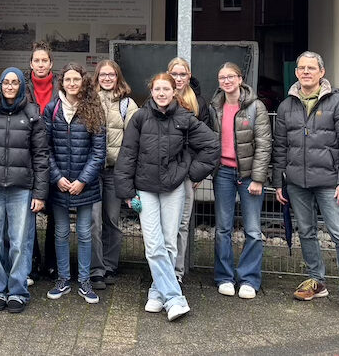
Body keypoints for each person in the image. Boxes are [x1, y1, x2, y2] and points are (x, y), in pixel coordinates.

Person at [114, 73, 219, 321]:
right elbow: (127, 154)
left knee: (170, 242)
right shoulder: (139, 117)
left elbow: (211, 145)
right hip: (146, 189)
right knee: (153, 244)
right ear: (151, 92)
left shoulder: (184, 118)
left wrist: (191, 173)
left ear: (174, 92)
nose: (161, 93)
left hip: (174, 189)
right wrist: (127, 191)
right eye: (157, 89)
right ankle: (174, 297)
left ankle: (157, 291)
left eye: (166, 89)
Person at [274, 51, 339, 318]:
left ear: (322, 72)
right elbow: (280, 147)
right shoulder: (285, 106)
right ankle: (317, 280)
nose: (305, 72)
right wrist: (280, 180)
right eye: (301, 68)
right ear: (296, 72)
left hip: (329, 182)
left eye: (311, 68)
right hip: (297, 182)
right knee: (306, 232)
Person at [0, 68, 49, 314]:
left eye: (15, 82)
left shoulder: (33, 114)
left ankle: (17, 291)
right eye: (6, 82)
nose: (9, 86)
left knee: (19, 243)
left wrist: (39, 193)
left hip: (21, 189)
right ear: (1, 84)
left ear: (21, 86)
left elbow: (41, 157)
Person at [43, 63, 106, 304]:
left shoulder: (93, 108)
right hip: (59, 182)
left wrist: (82, 180)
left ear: (83, 81)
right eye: (68, 79)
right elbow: (45, 147)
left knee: (84, 232)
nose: (72, 83)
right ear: (62, 82)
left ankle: (85, 281)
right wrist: (57, 177)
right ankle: (63, 279)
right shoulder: (52, 108)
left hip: (85, 184)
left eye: (76, 79)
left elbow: (98, 151)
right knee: (60, 232)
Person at [208, 62, 271, 300]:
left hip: (248, 176)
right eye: (222, 77)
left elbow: (265, 145)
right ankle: (224, 277)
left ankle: (249, 279)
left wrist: (258, 178)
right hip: (223, 172)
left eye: (230, 76)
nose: (226, 81)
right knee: (222, 228)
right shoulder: (215, 107)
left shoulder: (256, 107)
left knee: (253, 230)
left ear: (240, 78)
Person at [90, 59, 138, 289]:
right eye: (103, 75)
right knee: (93, 221)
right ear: (97, 77)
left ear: (118, 77)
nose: (107, 78)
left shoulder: (128, 105)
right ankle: (96, 268)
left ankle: (110, 265)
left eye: (111, 75)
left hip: (114, 171)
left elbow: (133, 141)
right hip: (92, 171)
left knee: (112, 219)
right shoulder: (88, 102)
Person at [167, 56, 211, 283]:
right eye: (174, 74)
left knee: (183, 223)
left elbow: (207, 142)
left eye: (182, 74)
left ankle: (177, 271)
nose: (178, 78)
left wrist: (196, 172)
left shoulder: (200, 103)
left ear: (189, 75)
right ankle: (162, 270)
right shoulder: (160, 97)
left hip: (186, 174)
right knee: (166, 224)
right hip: (164, 172)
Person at [25, 41, 58, 280]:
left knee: (56, 212)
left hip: (56, 154)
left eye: (44, 60)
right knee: (29, 211)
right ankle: (33, 260)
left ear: (50, 64)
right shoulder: (22, 86)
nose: (40, 64)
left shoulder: (60, 87)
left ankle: (53, 262)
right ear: (30, 64)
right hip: (28, 155)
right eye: (36, 60)